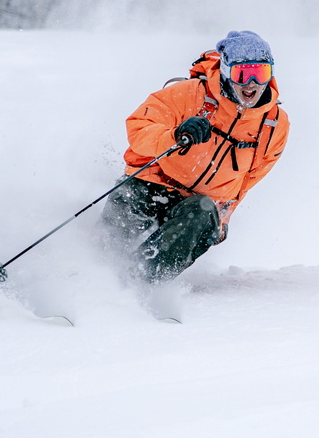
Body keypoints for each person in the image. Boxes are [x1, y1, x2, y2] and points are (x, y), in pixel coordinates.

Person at [102, 30, 290, 283]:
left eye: (261, 73)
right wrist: (174, 135)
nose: (252, 84)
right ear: (225, 71)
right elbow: (139, 128)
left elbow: (246, 181)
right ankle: (92, 271)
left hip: (197, 205)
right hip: (154, 183)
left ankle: (139, 283)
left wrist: (223, 219)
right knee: (127, 203)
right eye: (242, 74)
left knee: (202, 211)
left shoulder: (274, 124)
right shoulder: (186, 94)